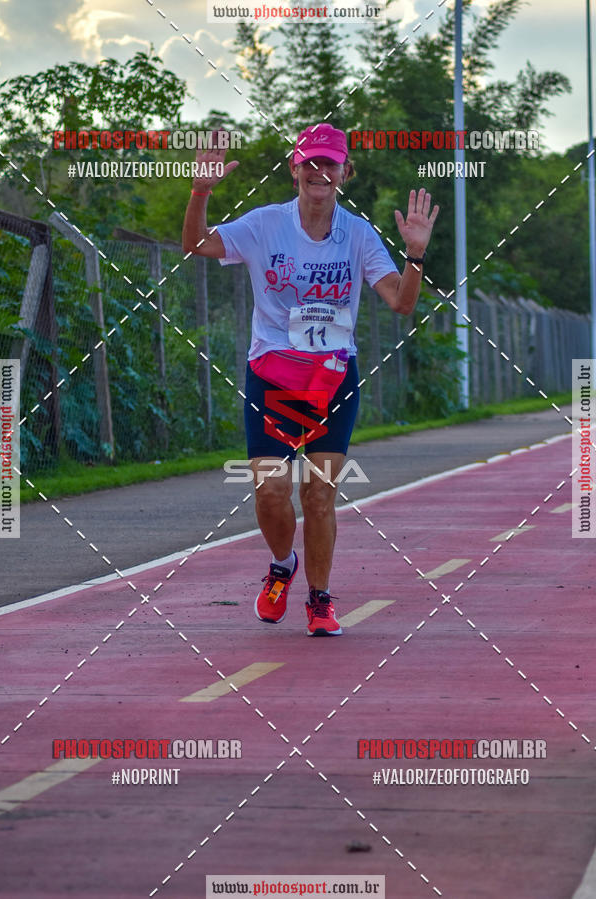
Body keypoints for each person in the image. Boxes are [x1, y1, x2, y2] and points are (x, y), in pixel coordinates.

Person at [182, 123, 439, 636]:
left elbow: (402, 303)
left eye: (331, 164)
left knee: (319, 495)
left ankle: (319, 600)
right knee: (271, 492)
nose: (320, 172)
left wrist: (415, 255)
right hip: (272, 375)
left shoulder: (359, 235)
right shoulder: (264, 225)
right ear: (295, 169)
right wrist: (200, 192)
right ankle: (282, 565)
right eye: (310, 163)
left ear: (345, 173)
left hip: (332, 378)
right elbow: (195, 246)